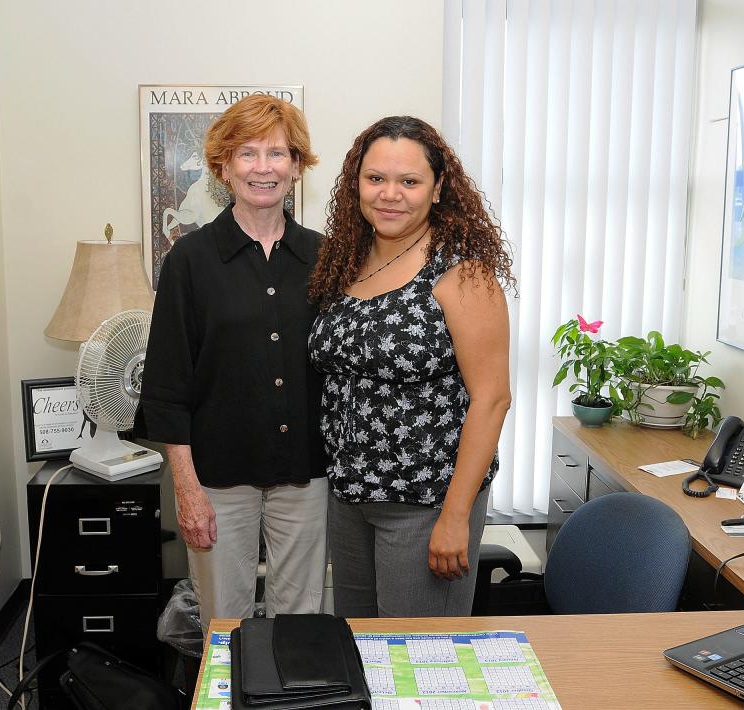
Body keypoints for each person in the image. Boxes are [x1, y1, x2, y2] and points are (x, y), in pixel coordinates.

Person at [308, 116, 515, 617]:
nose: (389, 194)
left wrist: (455, 517)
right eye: (375, 178)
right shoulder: (346, 264)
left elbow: (492, 399)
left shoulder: (461, 272)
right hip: (349, 499)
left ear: (438, 188)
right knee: (358, 651)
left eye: (409, 181)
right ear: (355, 182)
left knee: (418, 665)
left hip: (425, 505)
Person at [142, 95, 328, 629]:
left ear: (296, 167)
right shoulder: (189, 261)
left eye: (277, 153)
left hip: (306, 476)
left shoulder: (323, 258)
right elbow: (166, 388)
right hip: (218, 480)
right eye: (248, 153)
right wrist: (186, 489)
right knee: (225, 625)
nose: (263, 167)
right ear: (224, 166)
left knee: (302, 624)